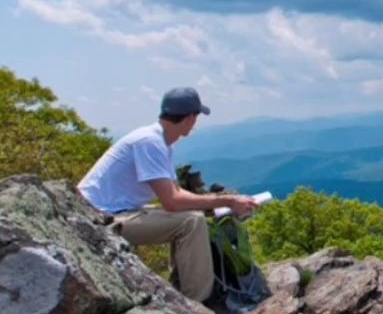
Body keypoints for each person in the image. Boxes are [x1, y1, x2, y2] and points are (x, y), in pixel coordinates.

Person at [78, 87, 258, 302]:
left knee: (192, 217)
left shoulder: (156, 140)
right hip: (99, 219)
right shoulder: (150, 142)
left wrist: (221, 205)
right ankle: (197, 303)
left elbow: (175, 192)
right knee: (190, 222)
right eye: (196, 116)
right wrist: (228, 200)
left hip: (101, 213)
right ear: (191, 117)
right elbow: (172, 202)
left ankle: (183, 288)